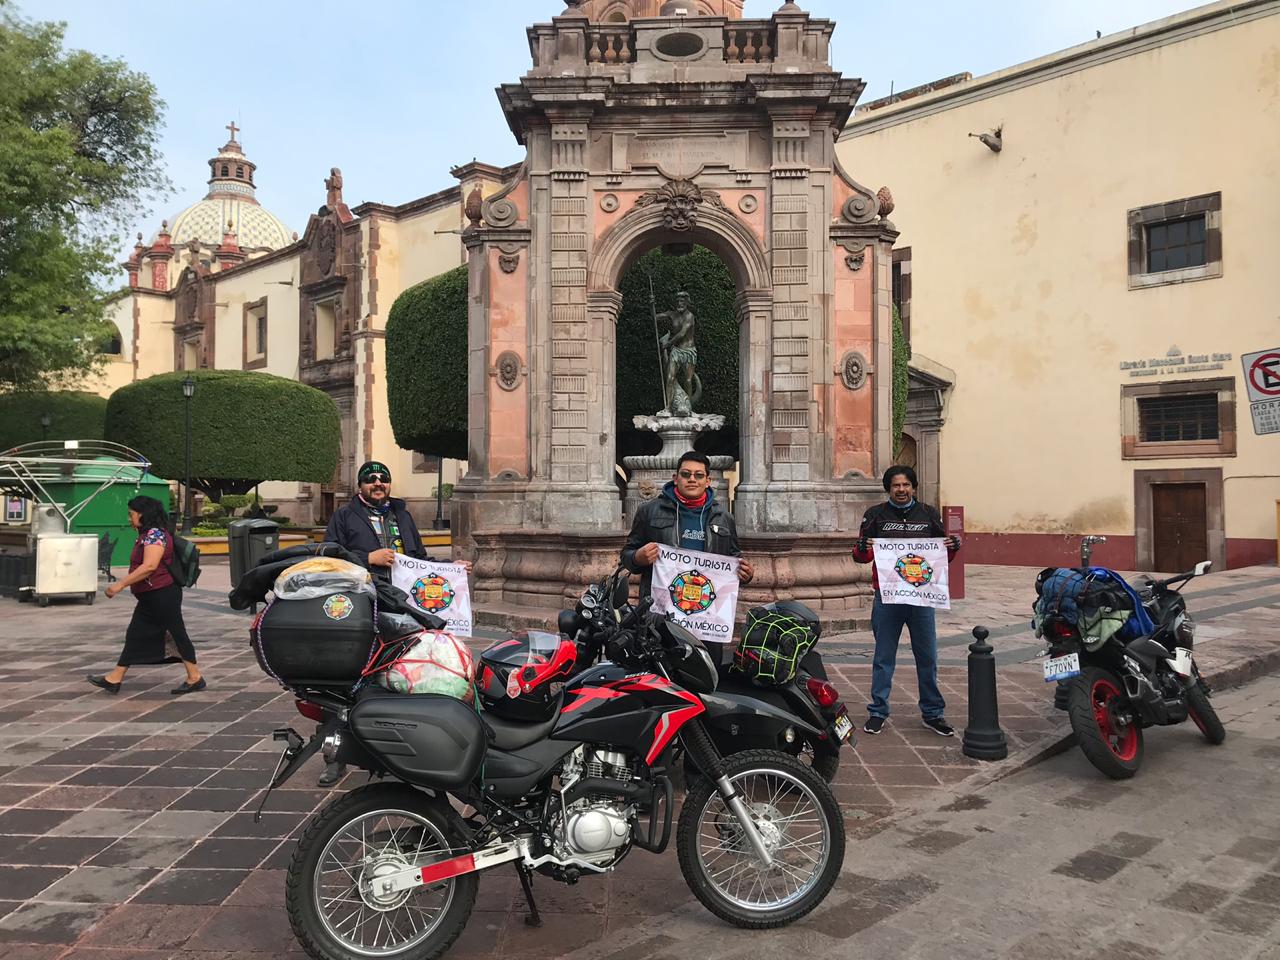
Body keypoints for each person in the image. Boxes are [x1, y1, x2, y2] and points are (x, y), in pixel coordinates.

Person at [319, 459, 471, 786]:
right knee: (347, 679)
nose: (378, 483)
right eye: (370, 479)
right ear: (360, 485)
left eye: (383, 479)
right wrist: (367, 558)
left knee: (400, 674)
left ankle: (394, 749)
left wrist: (451, 568)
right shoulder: (344, 516)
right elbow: (329, 558)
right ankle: (335, 755)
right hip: (363, 607)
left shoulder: (402, 515)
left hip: (402, 609)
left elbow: (419, 560)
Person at [852, 465, 960, 737]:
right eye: (896, 485)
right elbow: (861, 555)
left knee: (927, 657)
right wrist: (862, 549)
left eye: (906, 485)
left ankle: (933, 713)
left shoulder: (929, 514)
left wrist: (953, 548)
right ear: (888, 489)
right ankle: (878, 711)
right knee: (883, 657)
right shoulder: (875, 515)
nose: (901, 490)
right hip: (887, 597)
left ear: (913, 487)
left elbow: (941, 556)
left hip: (922, 598)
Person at [621, 450, 753, 664]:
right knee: (662, 675)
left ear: (708, 481)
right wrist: (637, 557)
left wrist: (745, 574)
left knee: (706, 675)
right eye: (686, 474)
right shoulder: (649, 511)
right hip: (661, 618)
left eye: (699, 475)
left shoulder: (724, 518)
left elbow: (734, 560)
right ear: (676, 478)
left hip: (707, 621)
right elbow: (627, 556)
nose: (692, 479)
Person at [88, 496, 205, 696]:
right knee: (135, 634)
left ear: (143, 514)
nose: (129, 518)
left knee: (177, 633)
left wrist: (120, 585)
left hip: (162, 593)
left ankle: (195, 677)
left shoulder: (154, 535)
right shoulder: (147, 534)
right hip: (151, 595)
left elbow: (150, 566)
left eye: (131, 514)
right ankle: (115, 677)